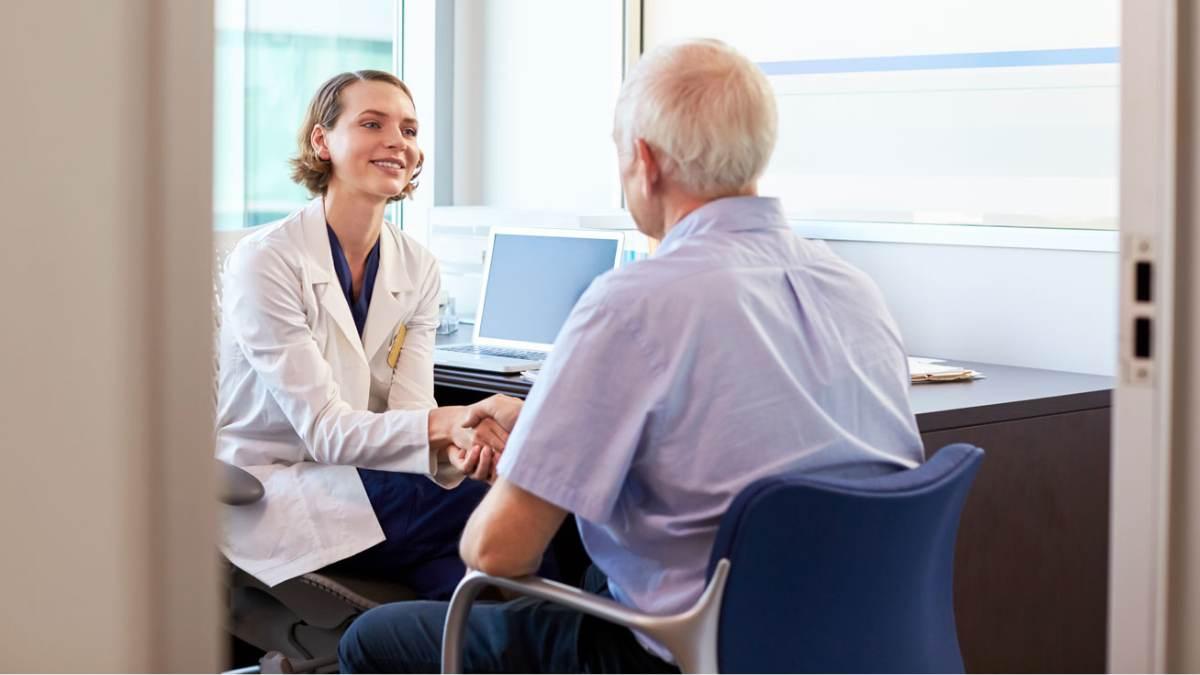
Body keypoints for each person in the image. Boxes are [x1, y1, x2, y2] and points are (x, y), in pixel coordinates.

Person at [338, 39, 925, 673]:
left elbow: (497, 554)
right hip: (851, 642)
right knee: (591, 573)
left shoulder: (634, 302)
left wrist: (535, 453)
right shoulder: (854, 289)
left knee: (374, 640)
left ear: (644, 162)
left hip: (686, 653)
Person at [215, 70, 512, 600]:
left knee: (489, 586)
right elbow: (327, 433)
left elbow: (412, 409)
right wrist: (451, 423)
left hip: (375, 480)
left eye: (410, 129)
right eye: (372, 124)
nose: (398, 141)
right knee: (512, 507)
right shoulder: (268, 261)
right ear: (321, 141)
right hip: (280, 485)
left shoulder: (417, 266)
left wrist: (460, 444)